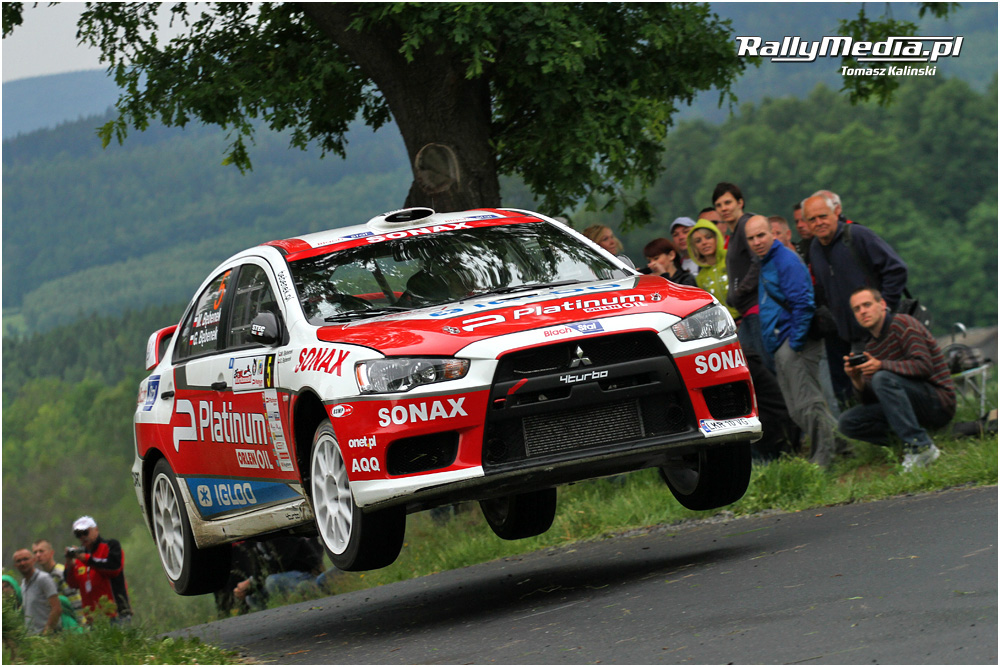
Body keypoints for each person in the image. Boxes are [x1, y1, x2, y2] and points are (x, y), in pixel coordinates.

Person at [745, 217, 847, 467]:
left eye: (761, 235)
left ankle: (823, 459)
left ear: (772, 234)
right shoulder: (766, 262)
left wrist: (795, 342)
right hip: (781, 342)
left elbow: (803, 303)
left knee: (807, 403)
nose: (757, 242)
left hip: (794, 341)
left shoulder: (785, 260)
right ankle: (844, 446)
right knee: (795, 407)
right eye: (751, 238)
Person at [838, 287, 956, 471]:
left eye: (867, 305)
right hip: (906, 405)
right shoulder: (870, 347)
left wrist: (881, 365)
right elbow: (872, 399)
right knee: (847, 422)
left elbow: (924, 366)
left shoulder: (904, 324)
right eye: (857, 309)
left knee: (882, 377)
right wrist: (857, 380)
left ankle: (920, 447)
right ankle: (912, 442)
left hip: (938, 402)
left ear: (882, 304)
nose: (863, 311)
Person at [804, 193, 908, 347]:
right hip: (851, 338)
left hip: (884, 331)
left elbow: (896, 269)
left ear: (836, 213)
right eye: (812, 219)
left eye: (823, 216)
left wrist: (884, 309)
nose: (819, 223)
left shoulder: (857, 235)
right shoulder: (814, 249)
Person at [714, 182, 774, 373]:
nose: (723, 208)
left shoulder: (746, 226)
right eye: (719, 205)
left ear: (740, 202)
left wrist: (739, 291)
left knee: (765, 365)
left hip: (757, 306)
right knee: (748, 365)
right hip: (746, 311)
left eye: (728, 202)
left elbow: (758, 262)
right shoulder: (735, 233)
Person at [64, 516, 131, 622]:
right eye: (78, 534)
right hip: (93, 619)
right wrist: (69, 564)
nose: (82, 537)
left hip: (116, 614)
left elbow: (114, 568)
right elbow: (73, 584)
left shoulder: (110, 545)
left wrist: (87, 559)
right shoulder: (80, 556)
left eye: (85, 532)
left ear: (96, 530)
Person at [687, 219, 739, 320]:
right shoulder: (700, 277)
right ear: (694, 247)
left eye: (708, 237)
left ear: (717, 238)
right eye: (698, 241)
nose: (704, 242)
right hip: (724, 325)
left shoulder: (731, 258)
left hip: (746, 317)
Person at [13, 549, 61, 635]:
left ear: (34, 560)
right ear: (15, 565)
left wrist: (46, 634)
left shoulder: (43, 579)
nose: (22, 563)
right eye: (18, 561)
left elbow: (56, 608)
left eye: (25, 559)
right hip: (32, 638)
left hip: (48, 637)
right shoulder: (23, 585)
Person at [32, 539, 81, 612]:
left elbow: (74, 599)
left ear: (51, 553)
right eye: (35, 552)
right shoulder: (42, 576)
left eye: (41, 551)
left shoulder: (60, 573)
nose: (38, 555)